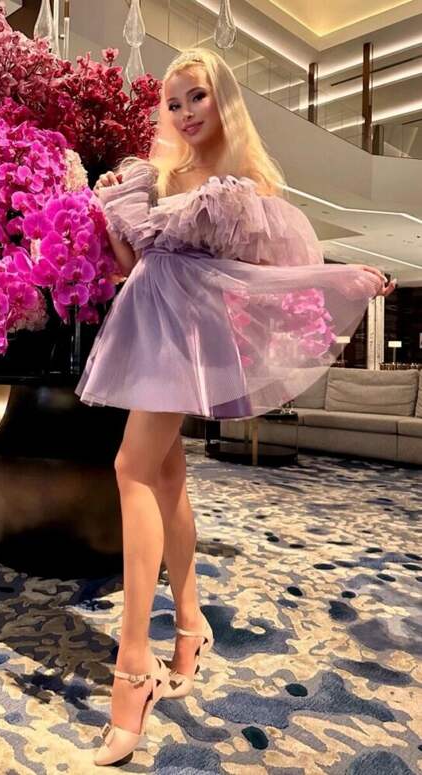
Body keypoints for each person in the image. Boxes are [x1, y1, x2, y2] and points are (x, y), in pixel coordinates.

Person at [74, 47, 396, 767]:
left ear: (223, 100)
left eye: (198, 97)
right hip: (145, 325)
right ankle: (190, 626)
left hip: (188, 336)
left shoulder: (241, 187)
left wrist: (343, 275)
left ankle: (133, 664)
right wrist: (115, 217)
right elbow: (133, 267)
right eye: (174, 102)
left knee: (130, 468)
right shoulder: (158, 176)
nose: (185, 113)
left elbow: (266, 277)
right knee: (164, 477)